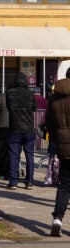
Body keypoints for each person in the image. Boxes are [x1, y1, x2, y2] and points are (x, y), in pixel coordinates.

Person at [45, 68, 70, 237]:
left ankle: (58, 219)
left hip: (63, 146)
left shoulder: (55, 97)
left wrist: (56, 140)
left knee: (65, 184)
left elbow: (49, 123)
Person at [6, 72, 37, 190]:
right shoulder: (30, 94)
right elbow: (35, 108)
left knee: (13, 155)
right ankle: (29, 181)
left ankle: (13, 182)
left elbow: (9, 108)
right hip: (28, 128)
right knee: (29, 155)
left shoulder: (10, 93)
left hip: (14, 128)